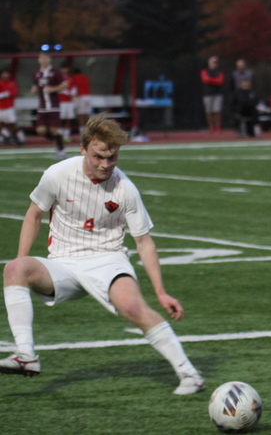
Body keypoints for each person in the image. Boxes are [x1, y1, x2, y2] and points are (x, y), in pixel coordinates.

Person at [0, 115, 205, 395]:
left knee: (133, 308)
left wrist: (161, 292)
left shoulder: (125, 189)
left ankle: (189, 374)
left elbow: (144, 242)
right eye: (98, 157)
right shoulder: (57, 174)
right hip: (64, 263)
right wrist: (21, 262)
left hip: (108, 259)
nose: (105, 165)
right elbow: (34, 215)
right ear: (83, 149)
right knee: (13, 269)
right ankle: (26, 355)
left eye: (112, 157)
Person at [31, 52, 67, 159]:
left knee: (53, 129)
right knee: (40, 130)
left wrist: (53, 89)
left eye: (46, 57)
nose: (44, 60)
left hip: (53, 106)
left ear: (49, 59)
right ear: (39, 60)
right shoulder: (36, 72)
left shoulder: (55, 72)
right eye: (42, 58)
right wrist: (34, 89)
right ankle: (58, 139)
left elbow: (65, 85)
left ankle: (61, 151)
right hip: (42, 107)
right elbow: (36, 85)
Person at [201, 55, 225, 133]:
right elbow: (205, 79)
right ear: (209, 63)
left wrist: (210, 80)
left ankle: (218, 127)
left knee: (217, 111)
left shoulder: (220, 72)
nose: (214, 64)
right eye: (213, 62)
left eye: (216, 63)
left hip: (217, 94)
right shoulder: (204, 71)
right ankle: (211, 127)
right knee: (209, 112)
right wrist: (214, 80)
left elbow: (220, 81)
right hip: (207, 94)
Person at [0, 69, 24, 146]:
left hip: (9, 107)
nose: (5, 76)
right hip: (0, 107)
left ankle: (19, 138)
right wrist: (4, 94)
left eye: (7, 74)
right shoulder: (0, 83)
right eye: (4, 74)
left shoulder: (12, 83)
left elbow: (14, 93)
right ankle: (6, 136)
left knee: (12, 124)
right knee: (1, 124)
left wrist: (7, 94)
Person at [58, 64, 77, 142]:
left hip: (69, 101)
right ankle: (59, 135)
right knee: (61, 119)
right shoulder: (58, 78)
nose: (64, 70)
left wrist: (72, 93)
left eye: (66, 68)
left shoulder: (71, 78)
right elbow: (58, 88)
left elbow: (74, 87)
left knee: (68, 119)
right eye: (63, 68)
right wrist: (65, 91)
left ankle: (66, 136)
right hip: (61, 101)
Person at [70, 67, 92, 134]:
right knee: (87, 115)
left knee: (81, 115)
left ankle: (82, 132)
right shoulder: (85, 77)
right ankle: (90, 131)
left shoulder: (74, 77)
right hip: (88, 96)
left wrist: (72, 97)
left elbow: (74, 89)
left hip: (80, 97)